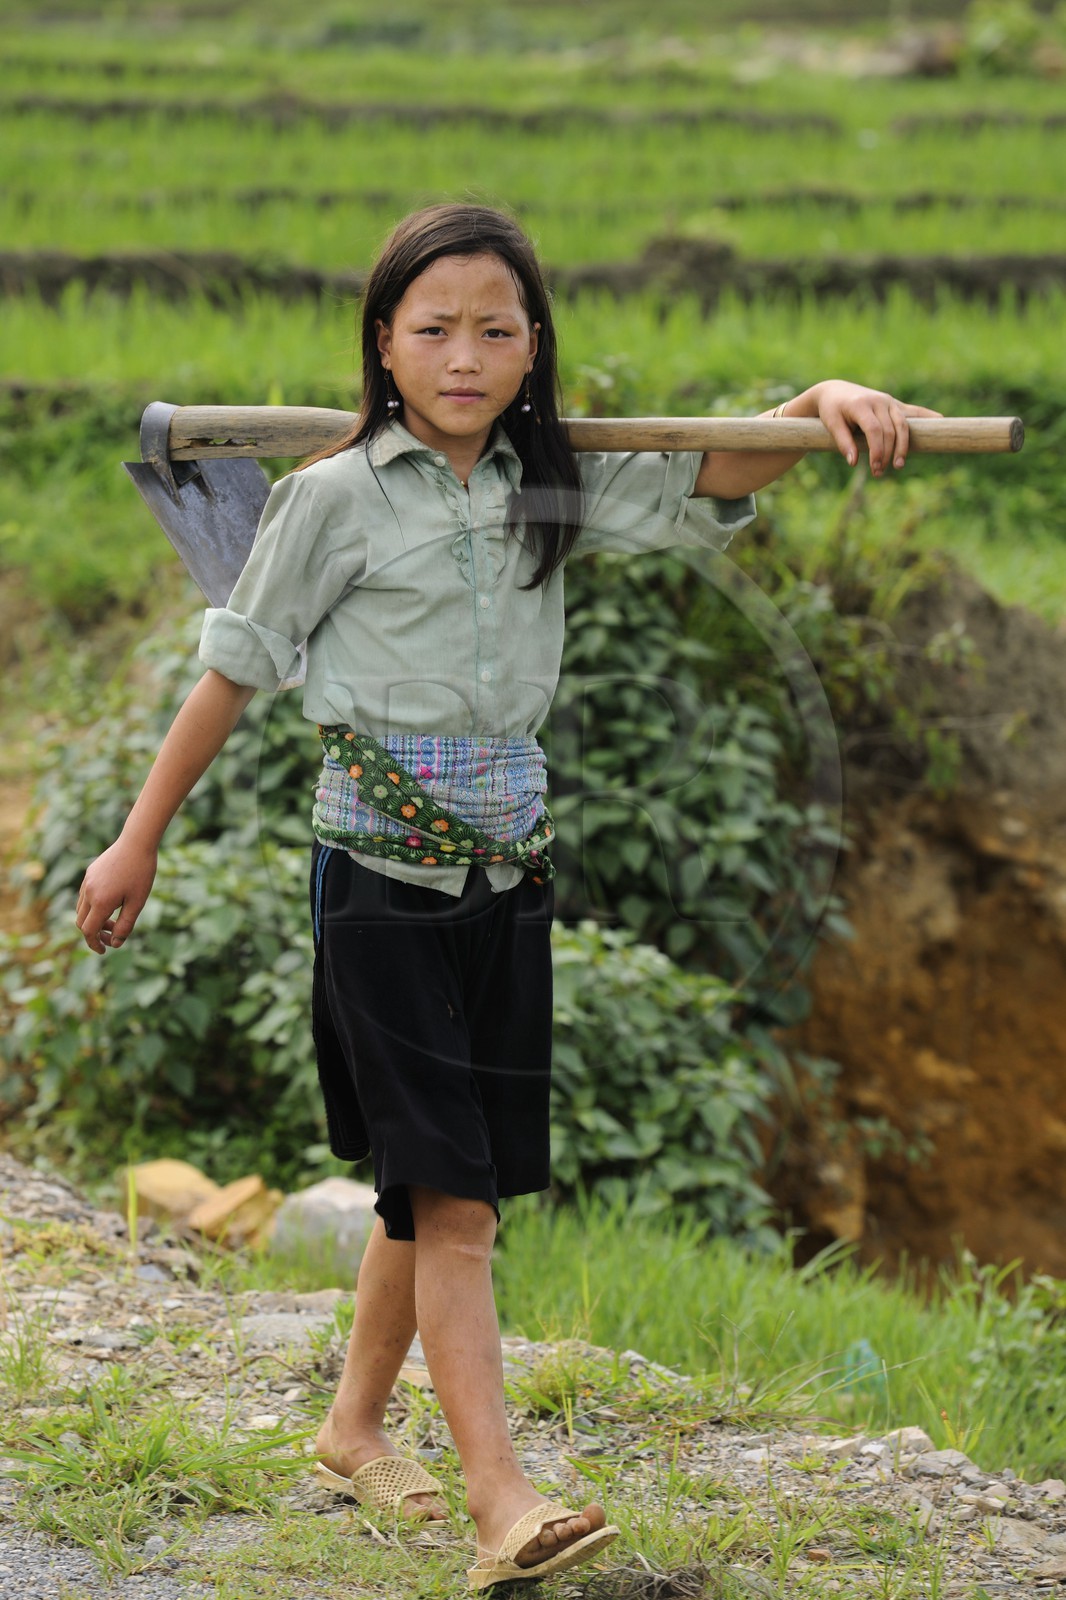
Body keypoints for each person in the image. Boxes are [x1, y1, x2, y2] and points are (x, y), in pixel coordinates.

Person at [75, 202, 938, 1588]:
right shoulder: (334, 497)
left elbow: (707, 474)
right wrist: (137, 840)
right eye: (434, 330)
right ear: (385, 347)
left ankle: (355, 1432)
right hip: (377, 887)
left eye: (494, 329)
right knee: (458, 1205)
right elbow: (233, 664)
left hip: (504, 883)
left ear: (533, 350)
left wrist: (812, 403)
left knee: (435, 1194)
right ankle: (501, 1502)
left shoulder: (553, 486)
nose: (464, 355)